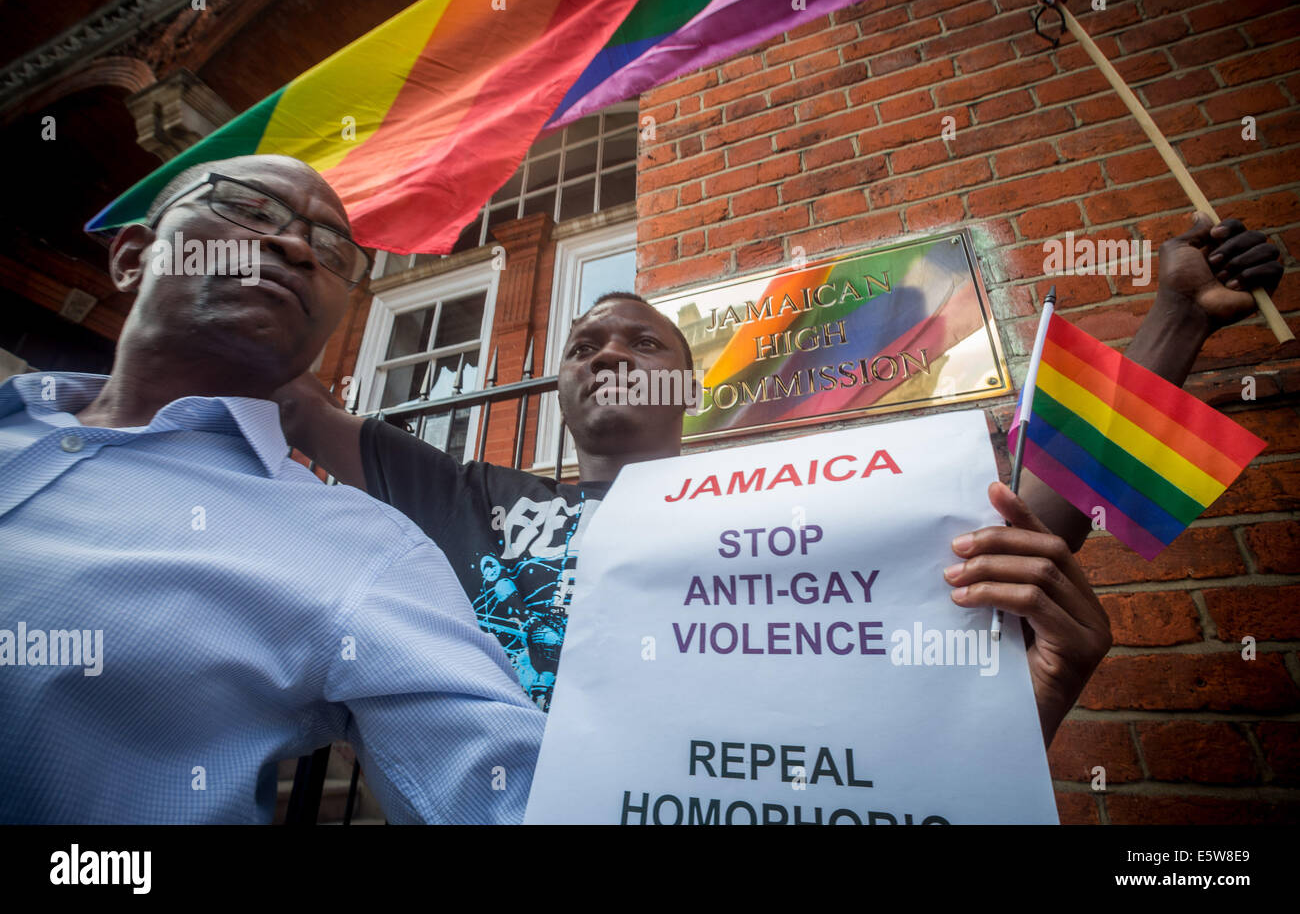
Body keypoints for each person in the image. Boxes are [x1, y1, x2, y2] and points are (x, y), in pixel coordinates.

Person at [277, 215, 1282, 745]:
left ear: (686, 381)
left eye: (640, 336)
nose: (605, 348)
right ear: (562, 383)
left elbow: (1026, 521)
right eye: (584, 339)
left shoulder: (785, 502)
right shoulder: (479, 502)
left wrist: (1179, 318)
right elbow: (298, 404)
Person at [0, 154, 545, 824]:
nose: (293, 246)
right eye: (248, 209)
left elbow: (507, 789)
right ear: (133, 257)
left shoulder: (364, 549)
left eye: (329, 247)